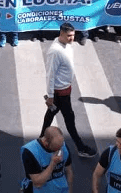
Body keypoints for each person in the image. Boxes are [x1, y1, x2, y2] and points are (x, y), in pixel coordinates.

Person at [42, 22, 96, 158]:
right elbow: (50, 74)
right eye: (69, 36)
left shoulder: (66, 45)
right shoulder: (55, 51)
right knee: (69, 118)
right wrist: (50, 95)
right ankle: (80, 147)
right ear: (61, 34)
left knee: (51, 113)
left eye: (73, 35)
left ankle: (42, 140)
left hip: (65, 89)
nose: (72, 38)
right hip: (60, 92)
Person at [21, 126, 74, 193]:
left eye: (61, 146)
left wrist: (70, 190)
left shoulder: (63, 146)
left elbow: (69, 171)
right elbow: (37, 183)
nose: (59, 150)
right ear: (46, 143)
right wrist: (53, 164)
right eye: (55, 149)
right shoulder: (30, 152)